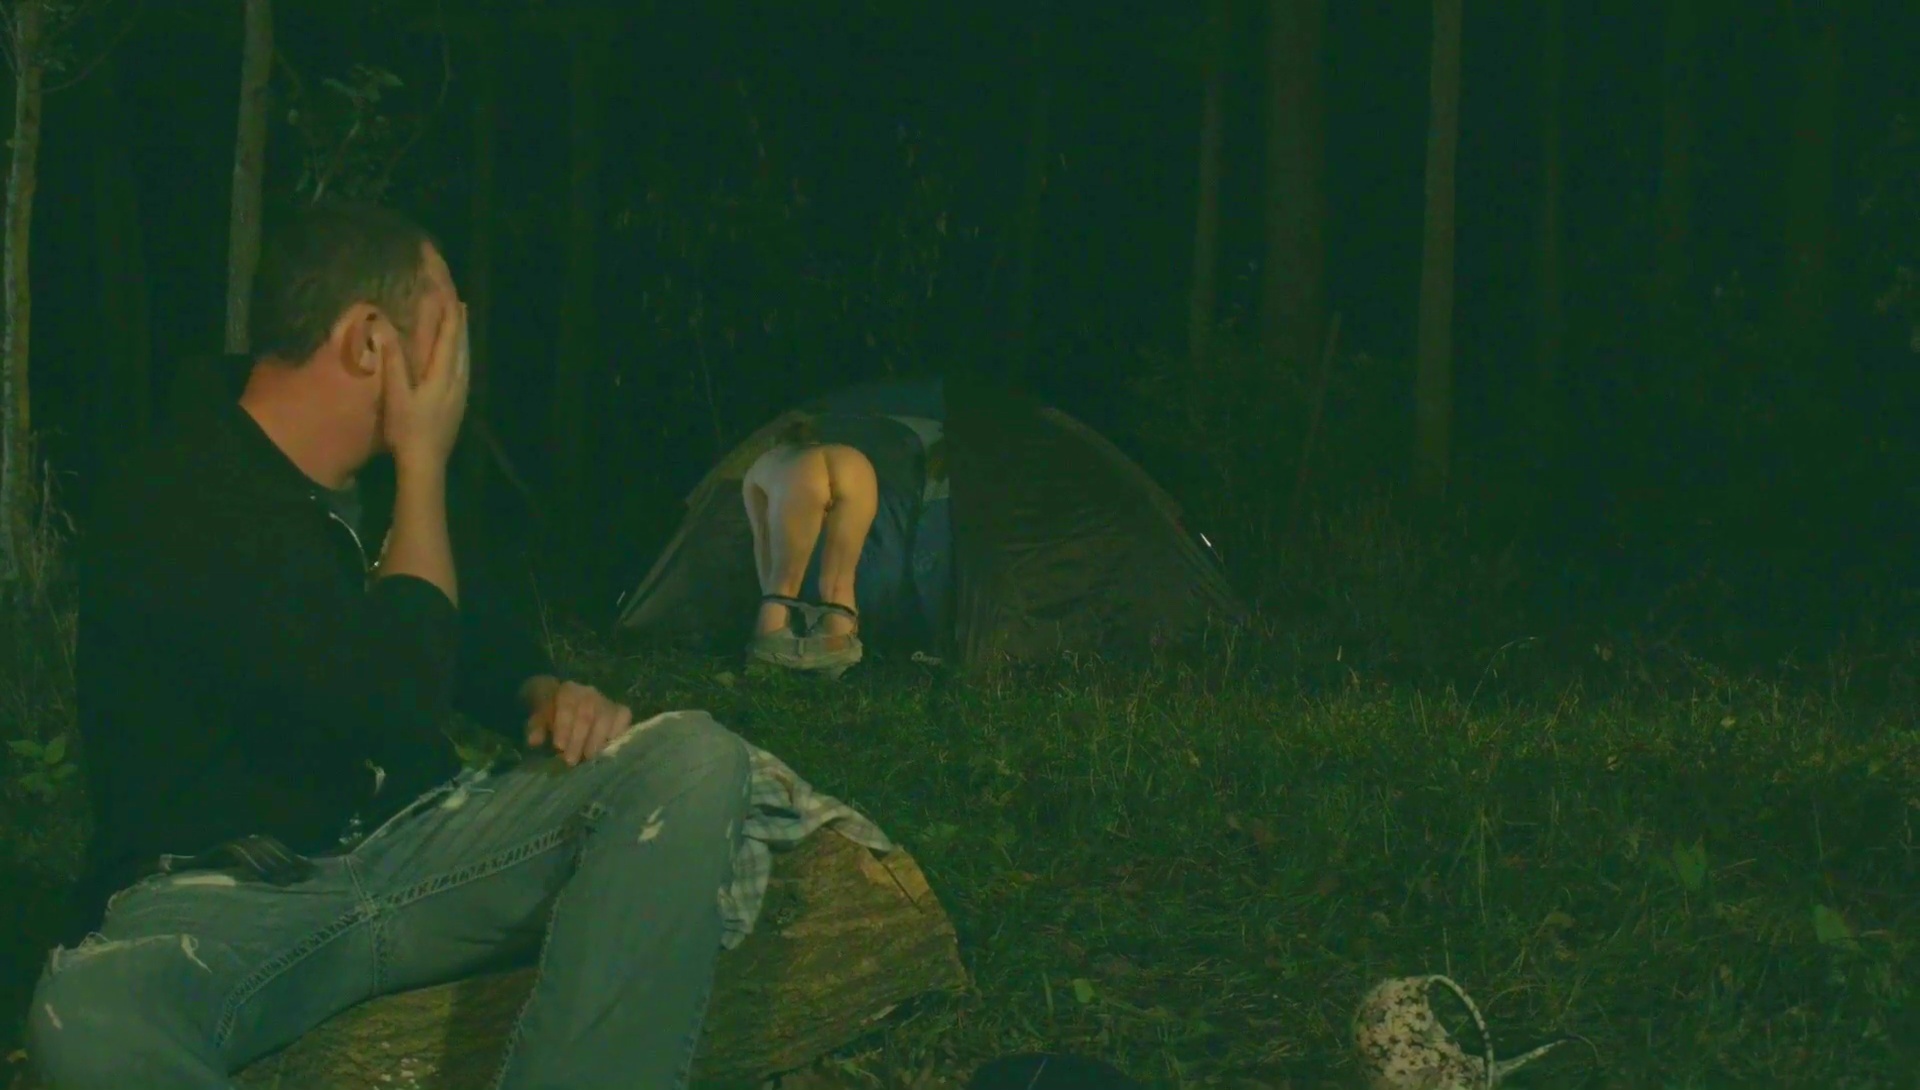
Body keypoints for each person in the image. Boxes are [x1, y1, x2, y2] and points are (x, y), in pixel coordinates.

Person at [26, 201, 753, 1089]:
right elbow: (390, 700)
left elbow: (463, 632)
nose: (464, 349)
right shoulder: (174, 495)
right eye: (448, 321)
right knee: (87, 1019)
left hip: (417, 855)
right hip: (221, 902)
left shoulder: (365, 490)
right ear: (369, 341)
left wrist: (541, 690)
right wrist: (421, 465)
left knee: (691, 760)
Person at [739, 420, 879, 676]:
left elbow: (763, 539)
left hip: (798, 473)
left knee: (781, 584)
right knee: (839, 583)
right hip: (855, 466)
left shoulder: (765, 463)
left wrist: (770, 594)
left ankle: (769, 662)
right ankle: (835, 658)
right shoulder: (846, 452)